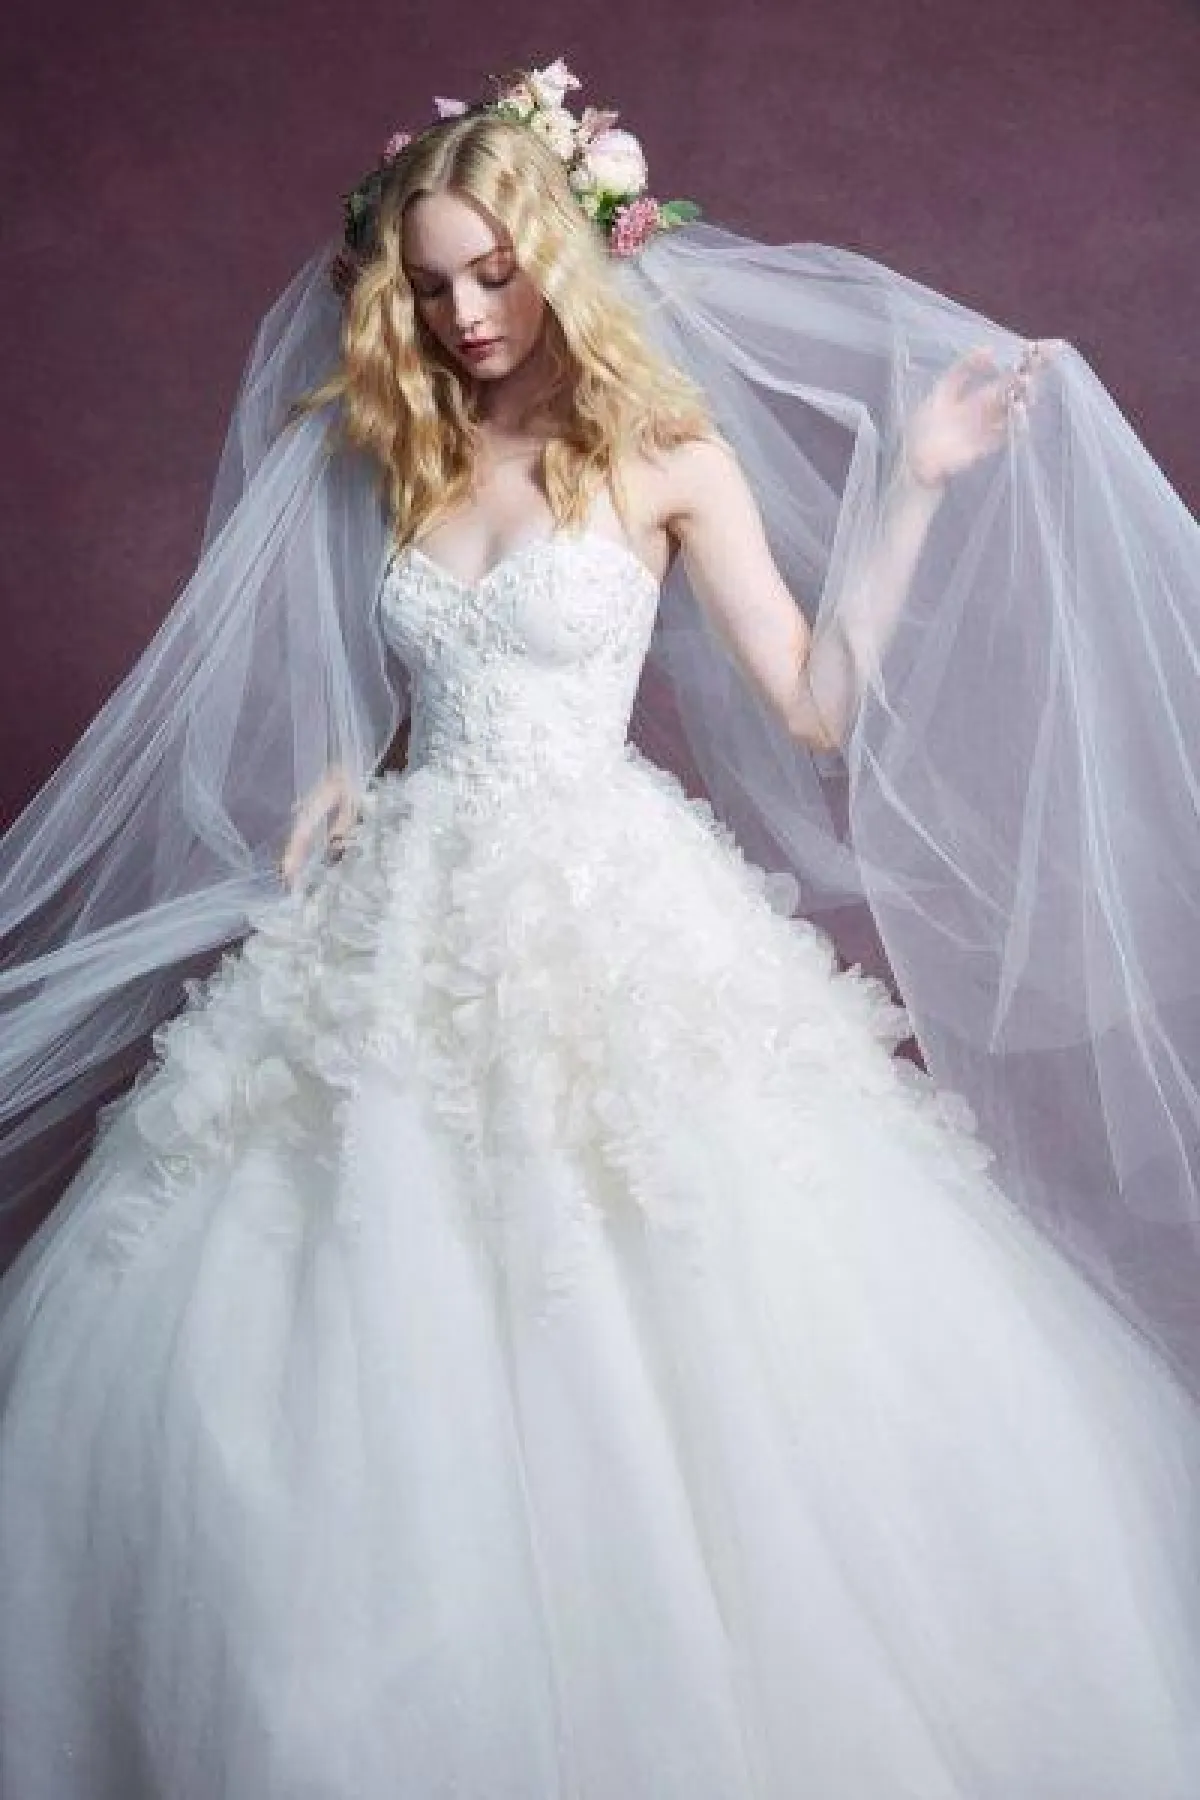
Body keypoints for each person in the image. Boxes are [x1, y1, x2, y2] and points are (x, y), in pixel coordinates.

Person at [1, 60, 1199, 1800]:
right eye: (431, 287)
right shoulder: (398, 453)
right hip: (405, 915)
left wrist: (919, 484)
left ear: (560, 255)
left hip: (604, 911)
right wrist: (345, 770)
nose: (465, 316)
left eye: (493, 274)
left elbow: (814, 705)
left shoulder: (663, 458)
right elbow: (401, 683)